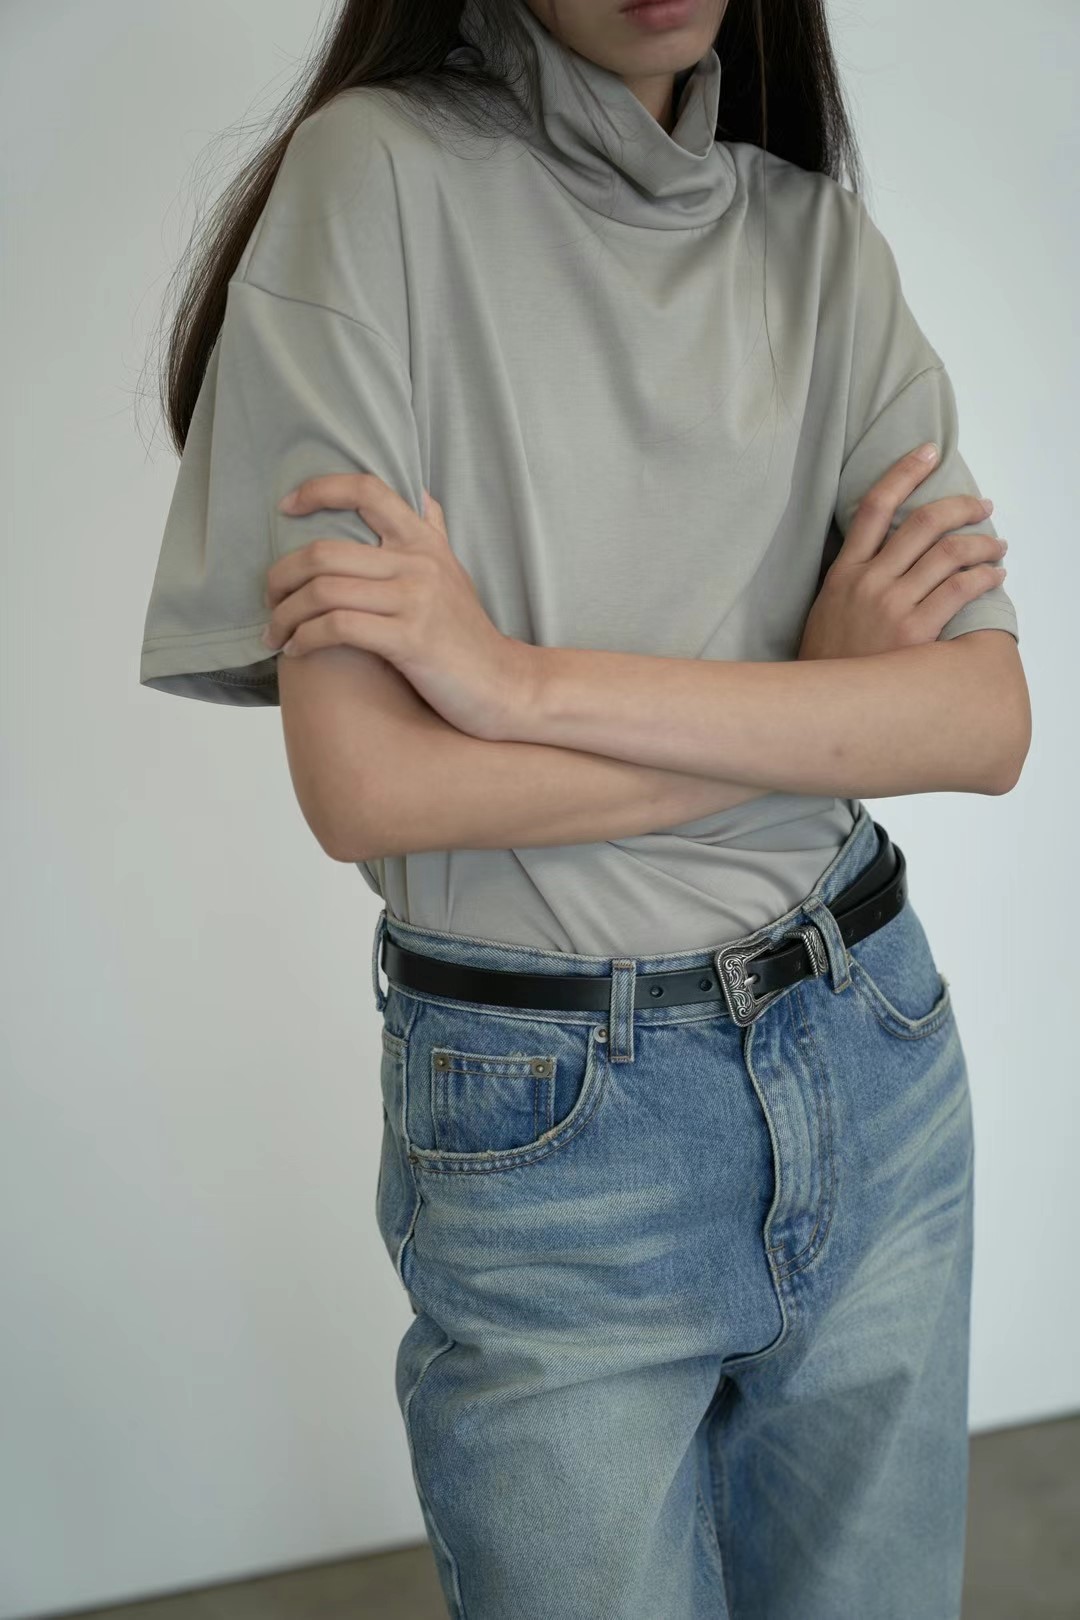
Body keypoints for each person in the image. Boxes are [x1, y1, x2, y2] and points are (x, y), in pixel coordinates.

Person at [140, 2, 1029, 1615]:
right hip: (554, 1123)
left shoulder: (820, 247)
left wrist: (514, 682)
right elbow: (370, 785)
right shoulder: (373, 180)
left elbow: (981, 721)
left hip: (870, 1052)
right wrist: (816, 705)